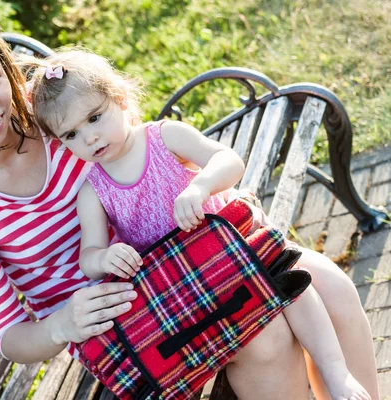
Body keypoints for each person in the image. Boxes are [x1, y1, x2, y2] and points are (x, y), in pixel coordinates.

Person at [0, 9, 379, 400]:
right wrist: (64, 321)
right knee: (264, 334)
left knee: (329, 284)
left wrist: (209, 192)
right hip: (119, 312)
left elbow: (141, 154)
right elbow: (9, 336)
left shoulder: (54, 115)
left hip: (187, 255)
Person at [26, 50, 375, 400]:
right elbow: (89, 254)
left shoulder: (164, 138)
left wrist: (201, 185)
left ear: (118, 97)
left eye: (94, 117)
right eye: (71, 134)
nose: (89, 138)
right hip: (191, 281)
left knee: (290, 286)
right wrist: (103, 258)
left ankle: (336, 374)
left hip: (236, 248)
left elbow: (228, 160)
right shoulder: (93, 190)